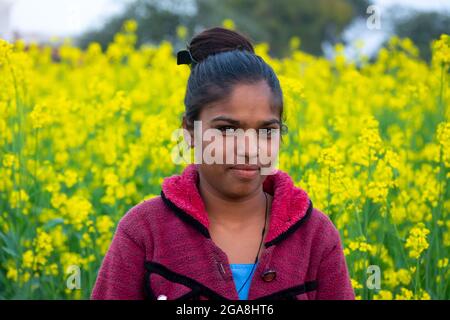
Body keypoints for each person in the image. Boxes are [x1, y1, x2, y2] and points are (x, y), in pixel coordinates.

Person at [91, 26, 354, 300]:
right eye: (227, 129)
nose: (249, 149)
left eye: (266, 131)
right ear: (190, 132)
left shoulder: (316, 237)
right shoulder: (144, 232)